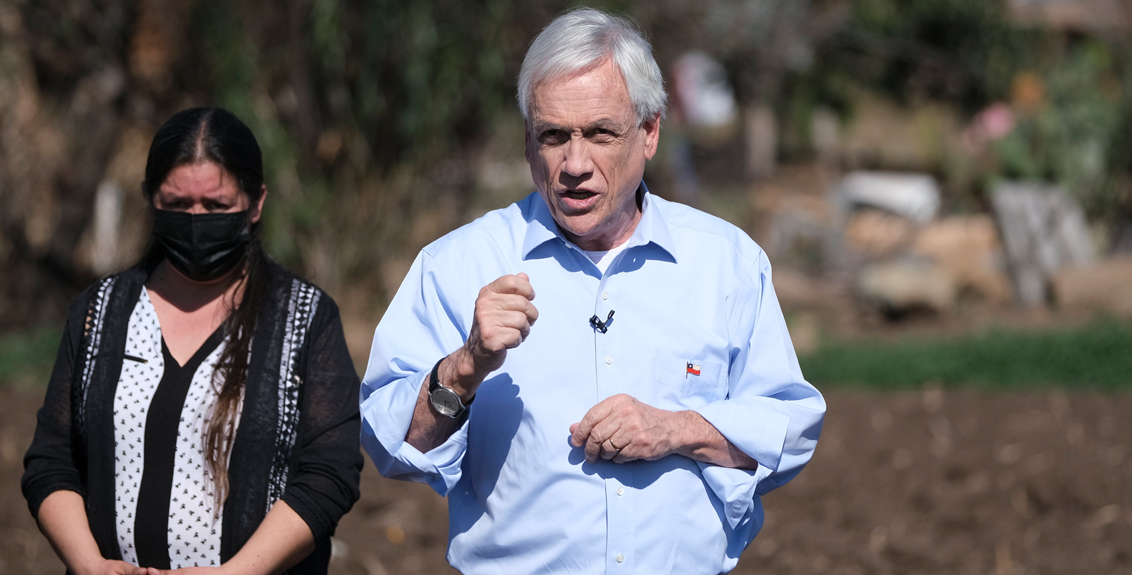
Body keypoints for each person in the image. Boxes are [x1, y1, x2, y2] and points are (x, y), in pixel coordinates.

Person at [360, 7, 825, 574]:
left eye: (601, 134)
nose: (574, 164)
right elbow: (387, 444)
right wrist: (464, 366)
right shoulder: (458, 264)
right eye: (553, 136)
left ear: (649, 132)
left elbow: (790, 430)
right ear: (528, 141)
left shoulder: (725, 262)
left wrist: (676, 429)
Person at [22, 107, 362, 575]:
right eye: (178, 204)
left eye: (217, 206)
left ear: (256, 203)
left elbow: (329, 473)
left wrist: (237, 573)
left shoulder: (304, 319)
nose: (197, 220)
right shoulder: (98, 313)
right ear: (151, 200)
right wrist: (89, 564)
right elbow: (51, 460)